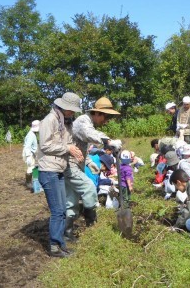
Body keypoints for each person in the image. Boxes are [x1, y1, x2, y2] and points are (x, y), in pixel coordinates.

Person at [64, 97, 121, 242]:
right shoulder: (83, 121)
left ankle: (67, 232)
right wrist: (108, 141)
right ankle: (91, 224)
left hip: (77, 163)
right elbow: (89, 134)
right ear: (97, 113)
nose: (106, 120)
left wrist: (88, 162)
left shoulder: (88, 123)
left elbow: (81, 144)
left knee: (72, 199)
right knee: (89, 188)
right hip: (69, 165)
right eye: (105, 116)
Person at [37, 92, 84, 258]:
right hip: (48, 170)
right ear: (63, 107)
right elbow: (45, 145)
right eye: (71, 110)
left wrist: (75, 150)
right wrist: (67, 149)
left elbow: (67, 143)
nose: (72, 113)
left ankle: (61, 243)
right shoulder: (49, 120)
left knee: (63, 209)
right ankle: (54, 246)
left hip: (58, 169)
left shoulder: (63, 122)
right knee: (57, 211)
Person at [22, 120, 40, 191]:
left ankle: (33, 183)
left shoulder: (32, 134)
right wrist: (28, 156)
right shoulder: (31, 135)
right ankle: (28, 183)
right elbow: (27, 146)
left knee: (34, 167)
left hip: (31, 153)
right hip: (29, 153)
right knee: (31, 167)